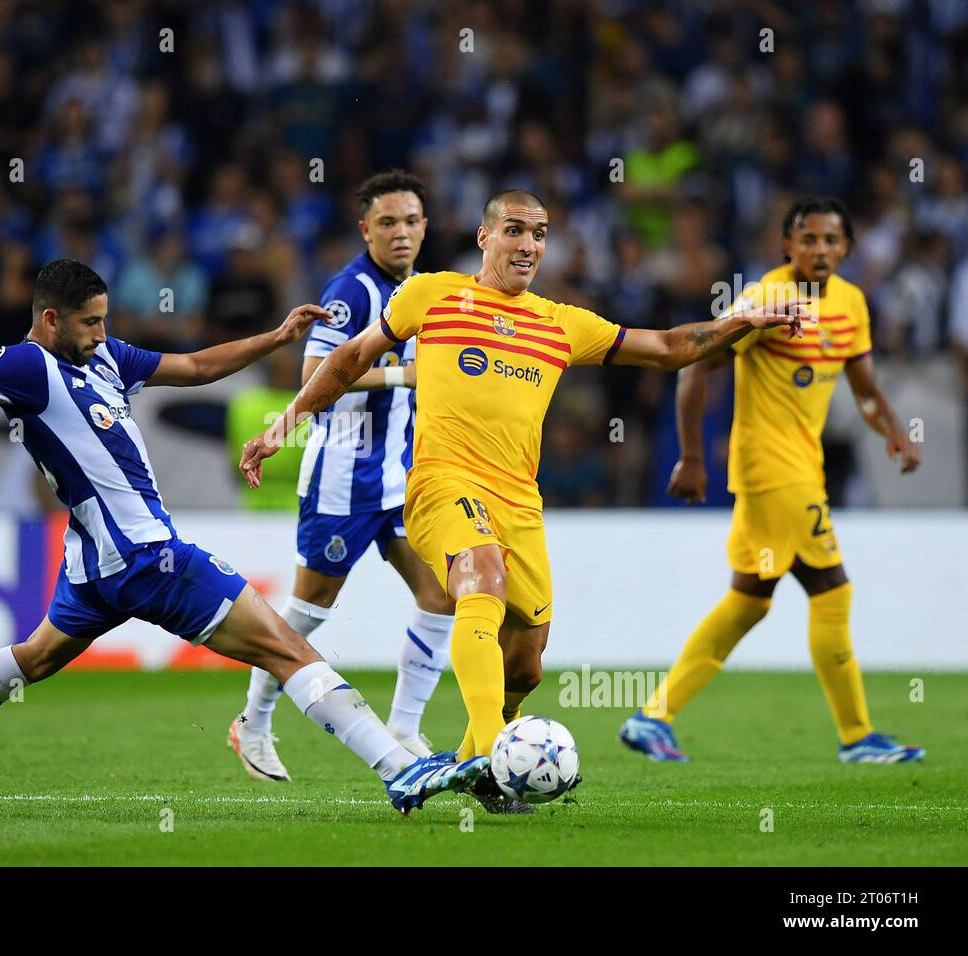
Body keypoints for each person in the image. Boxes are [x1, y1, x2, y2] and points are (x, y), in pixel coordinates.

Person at [0, 258, 489, 815]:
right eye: (90, 322)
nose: (103, 333)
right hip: (148, 556)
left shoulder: (100, 357)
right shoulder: (24, 365)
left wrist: (276, 336)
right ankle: (400, 769)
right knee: (286, 647)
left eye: (105, 320)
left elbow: (196, 367)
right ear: (49, 319)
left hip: (93, 565)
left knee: (35, 656)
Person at [240, 190, 806, 808]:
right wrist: (283, 425)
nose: (529, 245)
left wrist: (739, 324)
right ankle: (491, 757)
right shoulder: (433, 295)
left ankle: (459, 761)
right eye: (515, 231)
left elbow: (669, 349)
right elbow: (349, 360)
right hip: (441, 484)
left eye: (539, 234)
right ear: (485, 238)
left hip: (519, 504)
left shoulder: (563, 323)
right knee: (480, 579)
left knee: (527, 661)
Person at [621, 197, 925, 764]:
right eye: (808, 239)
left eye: (831, 241)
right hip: (771, 468)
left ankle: (651, 717)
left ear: (847, 248)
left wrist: (894, 432)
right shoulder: (766, 300)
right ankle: (858, 738)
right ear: (787, 245)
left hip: (801, 468)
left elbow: (862, 387)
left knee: (750, 600)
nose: (820, 250)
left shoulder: (852, 304)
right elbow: (696, 366)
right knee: (832, 589)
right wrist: (691, 457)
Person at [229, 170, 456, 784]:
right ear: (366, 230)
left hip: (403, 477)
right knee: (311, 607)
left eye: (411, 221)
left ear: (425, 226)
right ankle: (252, 722)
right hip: (343, 476)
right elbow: (314, 377)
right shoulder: (350, 291)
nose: (401, 232)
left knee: (441, 595)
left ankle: (405, 727)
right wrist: (405, 378)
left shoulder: (427, 289)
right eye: (387, 223)